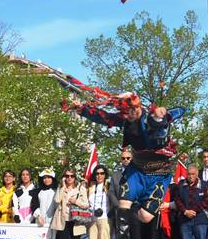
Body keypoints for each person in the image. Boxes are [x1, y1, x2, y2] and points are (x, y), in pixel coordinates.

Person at [64, 86, 185, 222]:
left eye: (132, 110)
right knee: (123, 206)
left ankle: (139, 205)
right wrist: (82, 110)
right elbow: (104, 118)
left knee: (145, 217)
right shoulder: (125, 120)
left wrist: (163, 113)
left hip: (159, 173)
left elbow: (181, 110)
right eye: (126, 112)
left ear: (138, 107)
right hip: (138, 170)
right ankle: (126, 233)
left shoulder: (152, 117)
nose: (129, 115)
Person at [51, 170, 89, 239]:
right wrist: (62, 187)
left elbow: (86, 205)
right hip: (63, 220)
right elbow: (56, 200)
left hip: (76, 220)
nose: (69, 178)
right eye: (67, 176)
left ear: (75, 177)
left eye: (72, 176)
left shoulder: (80, 188)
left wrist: (75, 201)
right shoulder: (61, 189)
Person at [174, 164, 208, 239]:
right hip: (185, 220)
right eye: (189, 174)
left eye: (193, 174)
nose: (190, 176)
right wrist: (185, 211)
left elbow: (205, 201)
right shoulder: (181, 185)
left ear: (197, 174)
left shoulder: (204, 185)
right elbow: (177, 200)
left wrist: (193, 211)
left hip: (200, 220)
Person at [87, 165, 116, 239]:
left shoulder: (109, 186)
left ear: (105, 175)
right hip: (92, 218)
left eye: (102, 173)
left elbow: (114, 200)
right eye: (97, 173)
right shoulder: (90, 187)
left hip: (105, 217)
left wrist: (108, 191)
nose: (99, 175)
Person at [110, 148, 135, 239]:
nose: (125, 160)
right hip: (119, 211)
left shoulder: (137, 173)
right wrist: (119, 205)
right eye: (123, 158)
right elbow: (111, 192)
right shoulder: (115, 175)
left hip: (134, 210)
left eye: (128, 158)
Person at [30, 169, 58, 239]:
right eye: (45, 178)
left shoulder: (56, 191)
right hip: (40, 223)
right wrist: (38, 216)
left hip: (53, 223)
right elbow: (34, 205)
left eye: (49, 177)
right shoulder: (37, 192)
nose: (47, 180)